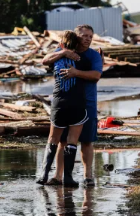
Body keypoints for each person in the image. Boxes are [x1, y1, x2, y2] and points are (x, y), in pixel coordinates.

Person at [41, 25, 103, 187]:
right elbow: (45, 60)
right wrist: (63, 52)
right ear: (76, 37)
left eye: (90, 36)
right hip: (65, 102)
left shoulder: (93, 56)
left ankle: (88, 175)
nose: (87, 39)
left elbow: (96, 75)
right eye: (84, 36)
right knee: (62, 141)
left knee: (87, 141)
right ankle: (58, 176)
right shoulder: (64, 50)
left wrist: (76, 73)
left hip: (87, 102)